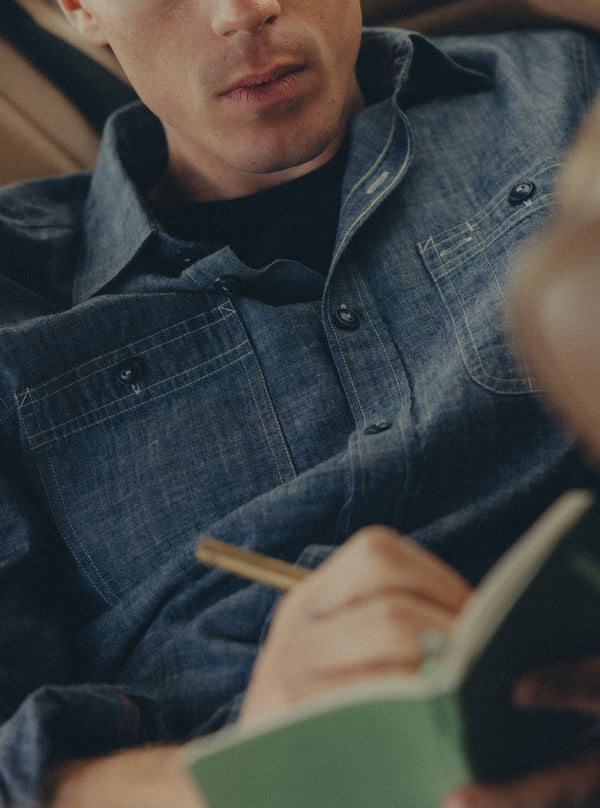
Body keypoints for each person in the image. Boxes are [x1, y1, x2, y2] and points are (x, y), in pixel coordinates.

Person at [0, 0, 599, 806]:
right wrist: (250, 771)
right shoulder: (18, 300)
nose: (241, 12)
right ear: (78, 6)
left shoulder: (560, 90)